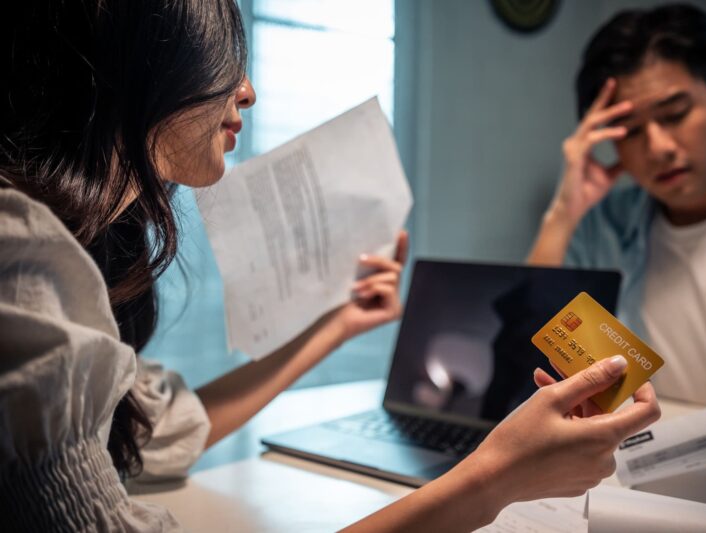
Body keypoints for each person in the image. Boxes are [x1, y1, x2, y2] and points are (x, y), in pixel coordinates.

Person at [0, 1, 660, 531]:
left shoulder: (57, 249)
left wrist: (337, 324)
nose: (249, 91)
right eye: (224, 58)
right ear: (140, 62)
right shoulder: (20, 256)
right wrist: (494, 478)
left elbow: (160, 425)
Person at [527, 3, 706, 406]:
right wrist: (562, 214)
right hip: (636, 456)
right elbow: (525, 348)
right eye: (631, 131)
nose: (658, 148)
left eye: (674, 115)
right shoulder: (603, 225)